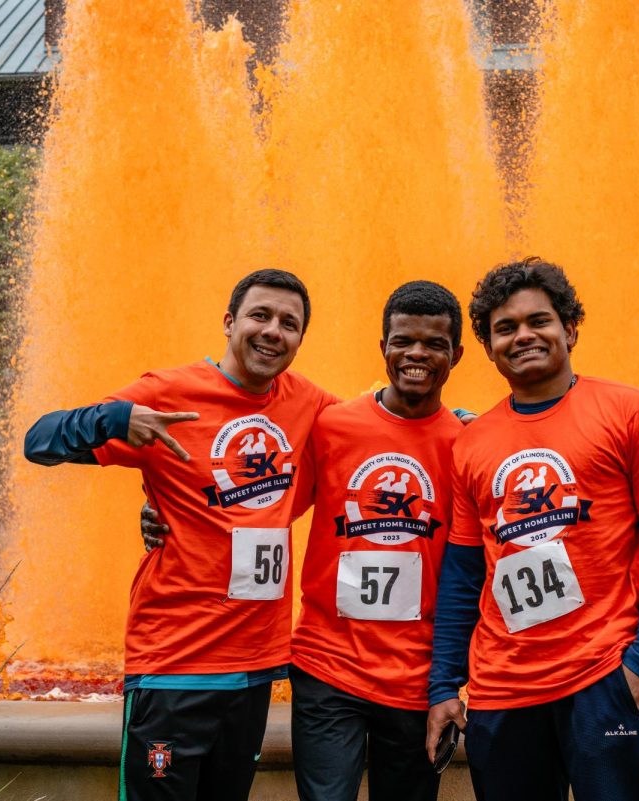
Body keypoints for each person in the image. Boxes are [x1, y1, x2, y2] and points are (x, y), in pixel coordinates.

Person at [144, 281, 467, 801]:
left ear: (456, 354)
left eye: (433, 344)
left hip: (416, 676)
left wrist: (450, 678)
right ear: (381, 346)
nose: (416, 354)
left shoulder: (465, 445)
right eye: (403, 341)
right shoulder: (332, 426)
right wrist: (166, 507)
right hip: (326, 668)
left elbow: (473, 568)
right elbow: (260, 503)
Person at [23, 269, 338, 801]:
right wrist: (117, 418)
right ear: (229, 321)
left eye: (290, 323)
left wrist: (458, 424)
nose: (273, 332)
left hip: (255, 666)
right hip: (174, 665)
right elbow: (39, 442)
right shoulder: (166, 394)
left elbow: (381, 427)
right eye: (260, 316)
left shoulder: (307, 402)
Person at [425, 257, 639, 801]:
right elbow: (462, 573)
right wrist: (443, 684)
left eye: (538, 321)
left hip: (602, 678)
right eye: (505, 328)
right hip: (501, 687)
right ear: (488, 347)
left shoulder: (631, 411)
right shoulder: (471, 444)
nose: (522, 336)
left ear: (569, 328)